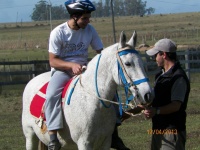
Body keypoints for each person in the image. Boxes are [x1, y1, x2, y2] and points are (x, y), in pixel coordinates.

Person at [45, 0, 129, 150]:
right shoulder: (58, 32)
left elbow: (100, 52)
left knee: (110, 92)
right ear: (74, 16)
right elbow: (53, 61)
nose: (87, 21)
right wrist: (71, 65)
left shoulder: (90, 30)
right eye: (84, 18)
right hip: (62, 71)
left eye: (88, 18)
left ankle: (114, 133)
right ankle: (52, 137)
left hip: (85, 69)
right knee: (51, 95)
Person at [143, 38, 190, 150]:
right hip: (158, 129)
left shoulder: (178, 78)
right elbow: (155, 99)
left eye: (156, 55)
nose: (154, 58)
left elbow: (176, 105)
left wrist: (156, 111)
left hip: (172, 131)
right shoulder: (160, 75)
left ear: (163, 55)